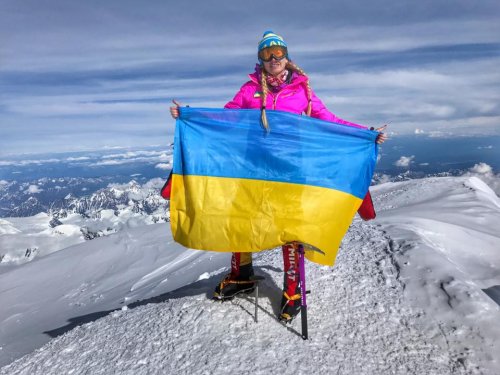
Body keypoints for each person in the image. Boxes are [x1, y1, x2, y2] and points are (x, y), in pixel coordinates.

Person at [170, 30, 387, 322]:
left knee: (290, 226)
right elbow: (228, 117)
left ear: (286, 56)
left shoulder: (303, 91)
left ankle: (292, 290)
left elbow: (330, 121)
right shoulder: (249, 90)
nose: (274, 58)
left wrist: (365, 134)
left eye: (278, 52)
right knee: (243, 218)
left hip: (290, 170)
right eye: (266, 53)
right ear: (260, 58)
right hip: (253, 169)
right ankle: (241, 274)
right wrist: (190, 117)